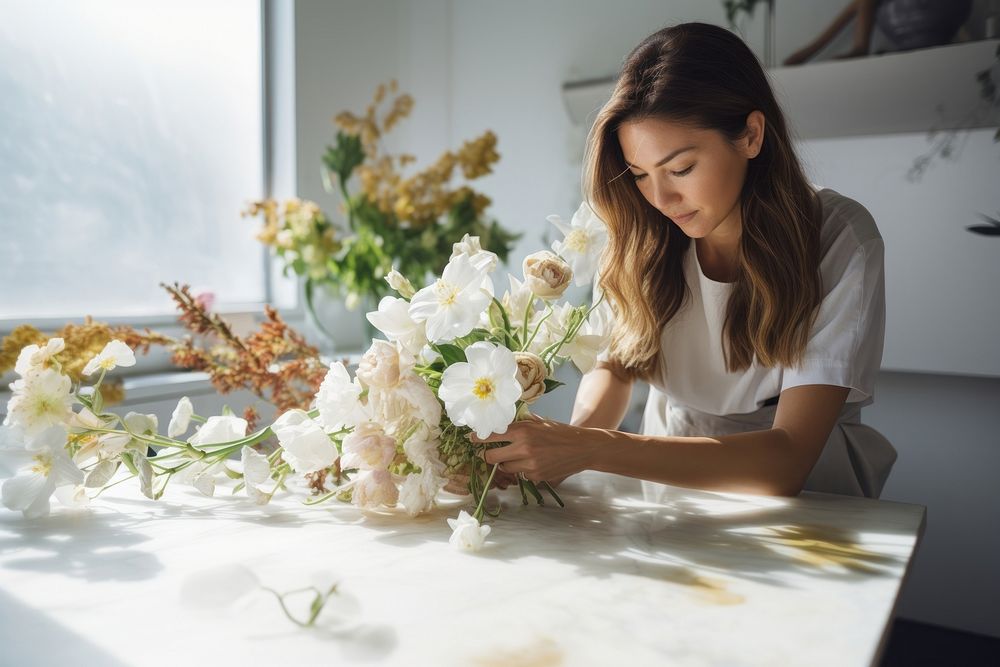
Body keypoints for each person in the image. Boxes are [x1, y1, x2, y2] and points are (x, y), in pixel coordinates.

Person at [474, 22, 896, 499]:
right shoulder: (641, 234)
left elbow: (788, 460)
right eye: (640, 175)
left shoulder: (838, 238)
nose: (661, 197)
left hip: (809, 506)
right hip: (669, 489)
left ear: (751, 136)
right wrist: (559, 453)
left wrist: (589, 447)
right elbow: (616, 366)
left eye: (681, 168)